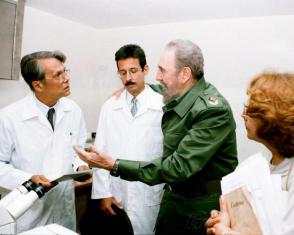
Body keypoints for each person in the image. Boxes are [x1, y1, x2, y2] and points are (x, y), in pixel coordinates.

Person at [74, 39, 238, 235]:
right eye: (123, 73)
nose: (157, 77)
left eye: (162, 71)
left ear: (185, 74)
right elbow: (155, 87)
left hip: (199, 207)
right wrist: (132, 86)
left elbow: (178, 167)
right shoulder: (179, 93)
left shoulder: (211, 110)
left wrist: (114, 165)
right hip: (173, 198)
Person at [0, 51, 89, 233]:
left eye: (65, 71)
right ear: (38, 85)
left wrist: (81, 166)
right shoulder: (9, 117)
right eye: (58, 75)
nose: (66, 78)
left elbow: (78, 151)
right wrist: (28, 179)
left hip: (63, 208)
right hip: (28, 213)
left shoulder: (73, 110)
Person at [205, 71, 294, 235]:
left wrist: (226, 233)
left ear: (272, 117)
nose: (242, 115)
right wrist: (227, 219)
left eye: (250, 109)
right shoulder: (253, 166)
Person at [90, 44, 164, 235]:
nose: (128, 78)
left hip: (150, 192)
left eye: (133, 71)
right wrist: (103, 194)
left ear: (145, 70)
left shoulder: (163, 104)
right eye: (122, 73)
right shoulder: (109, 106)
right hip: (116, 192)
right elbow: (99, 152)